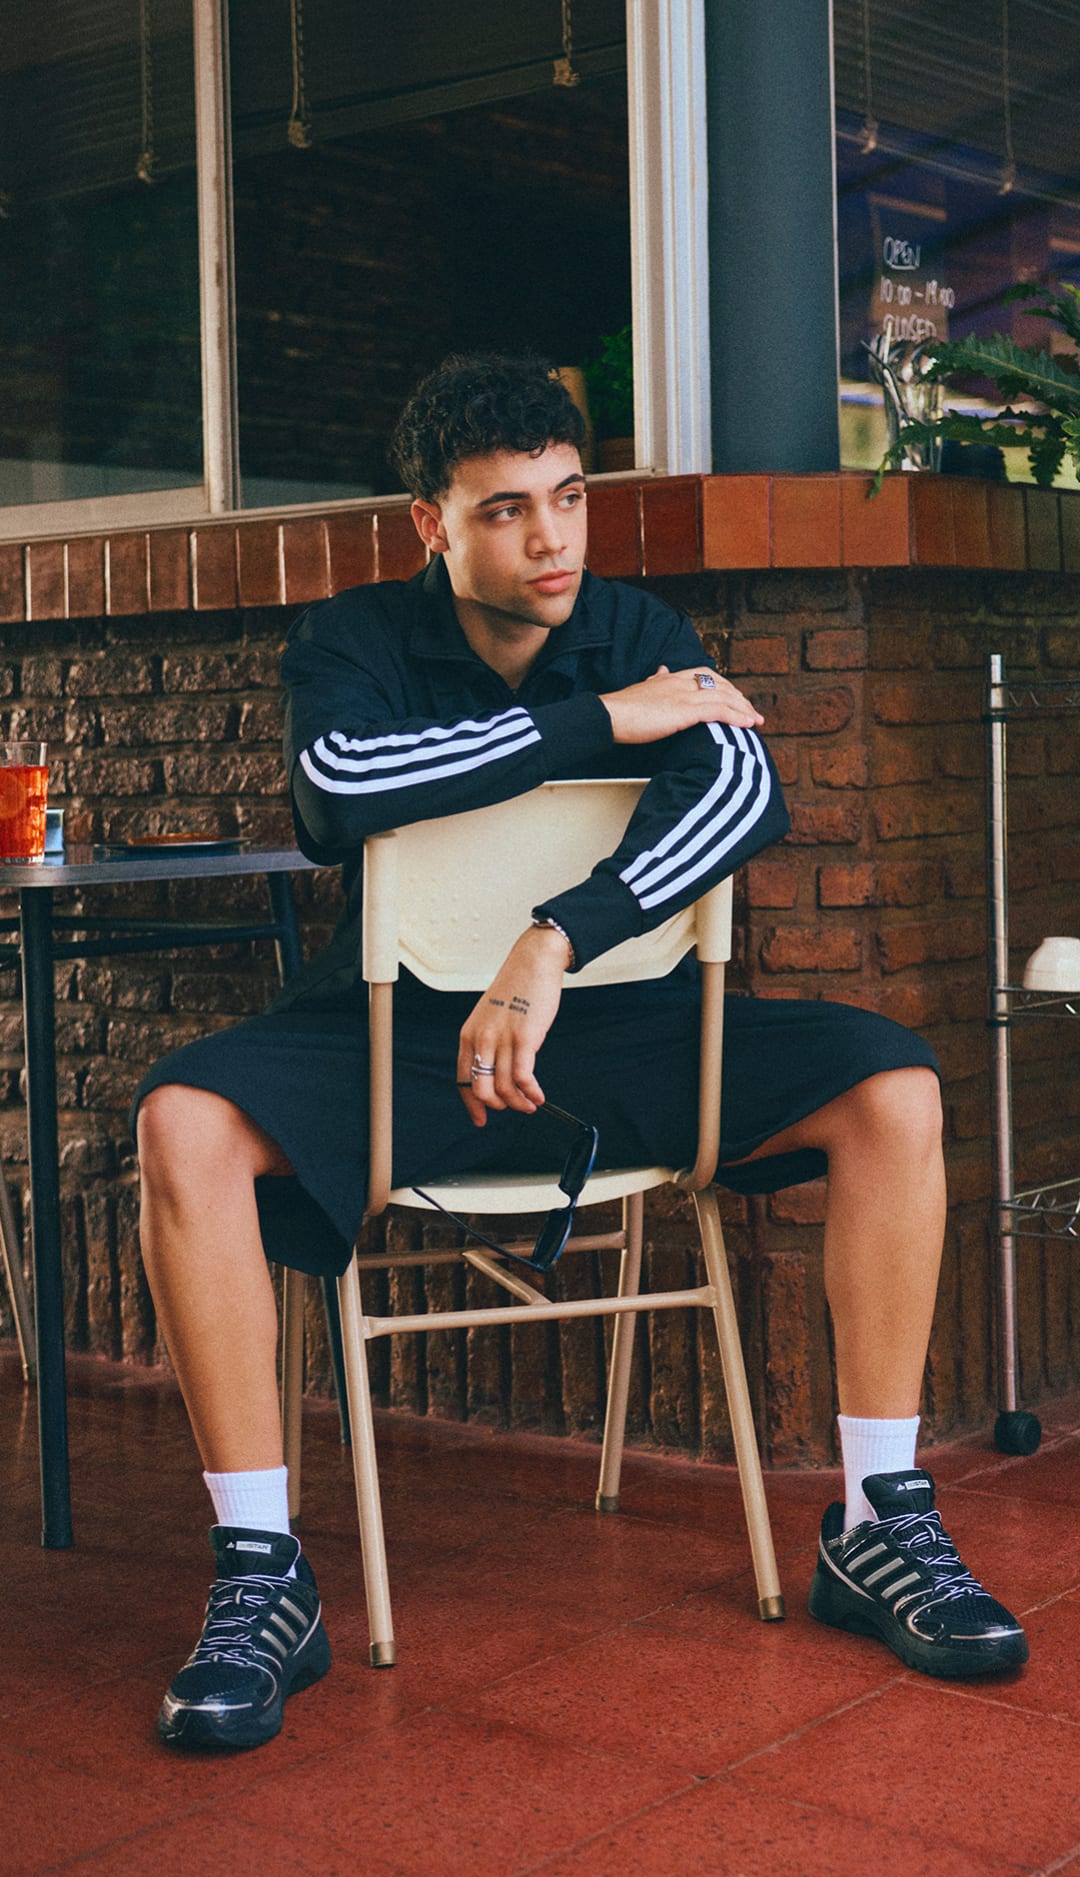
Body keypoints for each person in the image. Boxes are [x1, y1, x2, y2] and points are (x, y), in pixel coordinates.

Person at [135, 351, 1027, 1754]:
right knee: (182, 1122)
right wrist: (597, 726)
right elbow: (340, 788)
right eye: (504, 511)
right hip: (397, 1042)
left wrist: (551, 941)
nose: (550, 539)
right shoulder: (355, 637)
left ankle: (876, 1518)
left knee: (895, 1088)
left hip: (622, 1033)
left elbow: (741, 783)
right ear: (430, 523)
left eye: (568, 498)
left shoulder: (636, 622)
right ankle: (261, 1574)